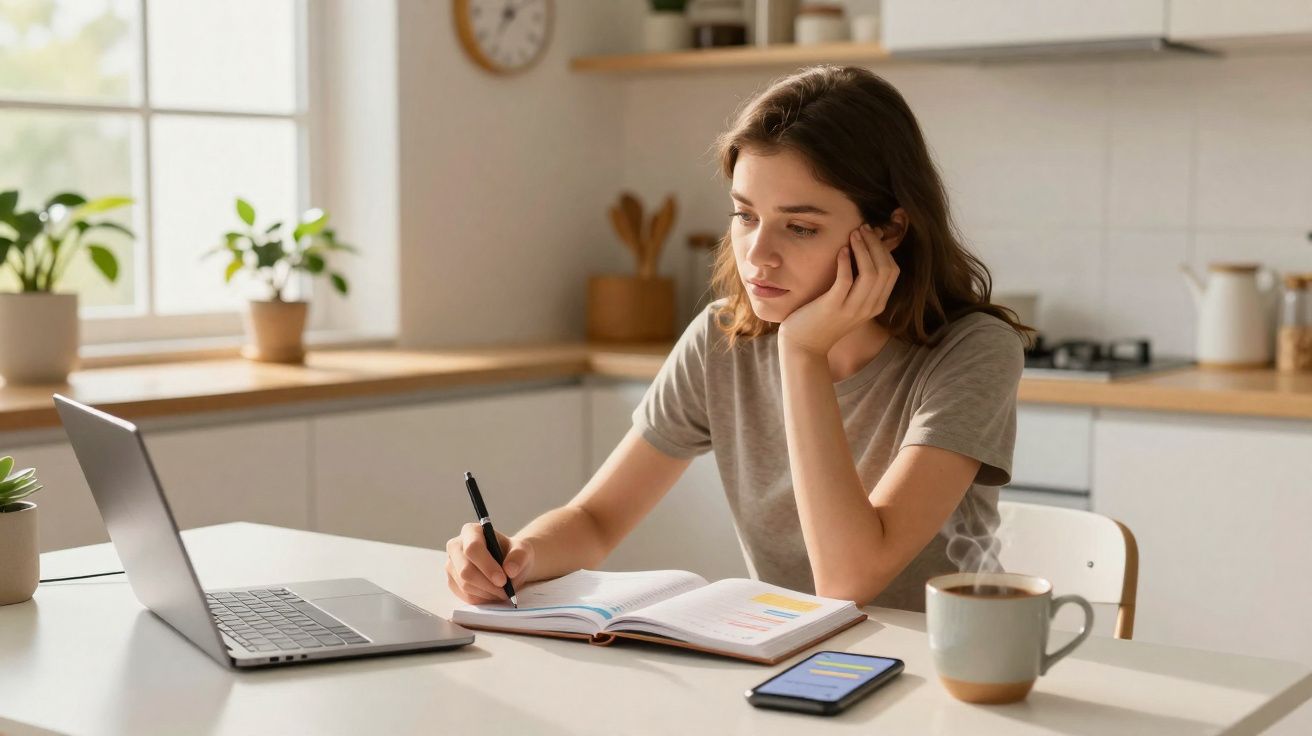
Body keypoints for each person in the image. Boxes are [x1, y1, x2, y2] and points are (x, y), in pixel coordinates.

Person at [446, 65, 1030, 611]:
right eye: (745, 215)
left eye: (800, 227)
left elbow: (849, 581)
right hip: (787, 660)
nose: (758, 254)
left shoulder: (972, 352)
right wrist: (518, 556)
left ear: (889, 230)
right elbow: (597, 519)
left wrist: (801, 353)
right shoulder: (722, 340)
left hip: (934, 680)